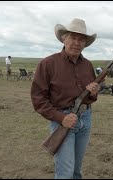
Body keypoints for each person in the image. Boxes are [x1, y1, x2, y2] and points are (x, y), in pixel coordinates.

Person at [30, 18, 100, 179]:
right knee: (65, 172)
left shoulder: (88, 65)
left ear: (85, 43)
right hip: (62, 120)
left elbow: (89, 98)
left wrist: (93, 93)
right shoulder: (47, 64)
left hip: (86, 119)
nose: (76, 42)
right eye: (73, 38)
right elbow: (38, 99)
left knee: (76, 170)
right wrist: (62, 118)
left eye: (81, 39)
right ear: (64, 39)